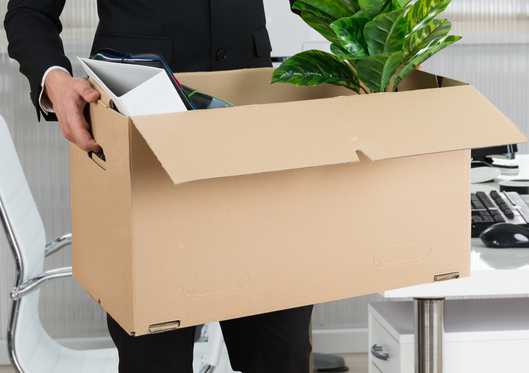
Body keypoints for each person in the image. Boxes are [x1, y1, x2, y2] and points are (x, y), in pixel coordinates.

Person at [4, 1, 313, 372]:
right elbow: (29, 13)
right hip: (141, 155)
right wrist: (54, 79)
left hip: (250, 145)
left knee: (282, 350)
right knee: (156, 359)